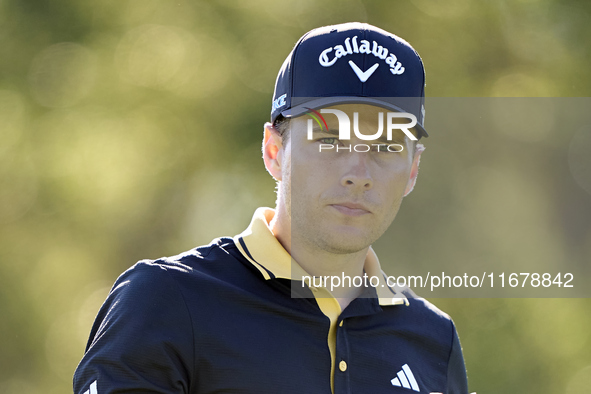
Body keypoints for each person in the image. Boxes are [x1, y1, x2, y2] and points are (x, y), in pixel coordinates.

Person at [74, 22, 469, 394]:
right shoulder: (166, 300)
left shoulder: (434, 339)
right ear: (274, 151)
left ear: (413, 170)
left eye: (386, 147)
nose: (358, 173)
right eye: (329, 139)